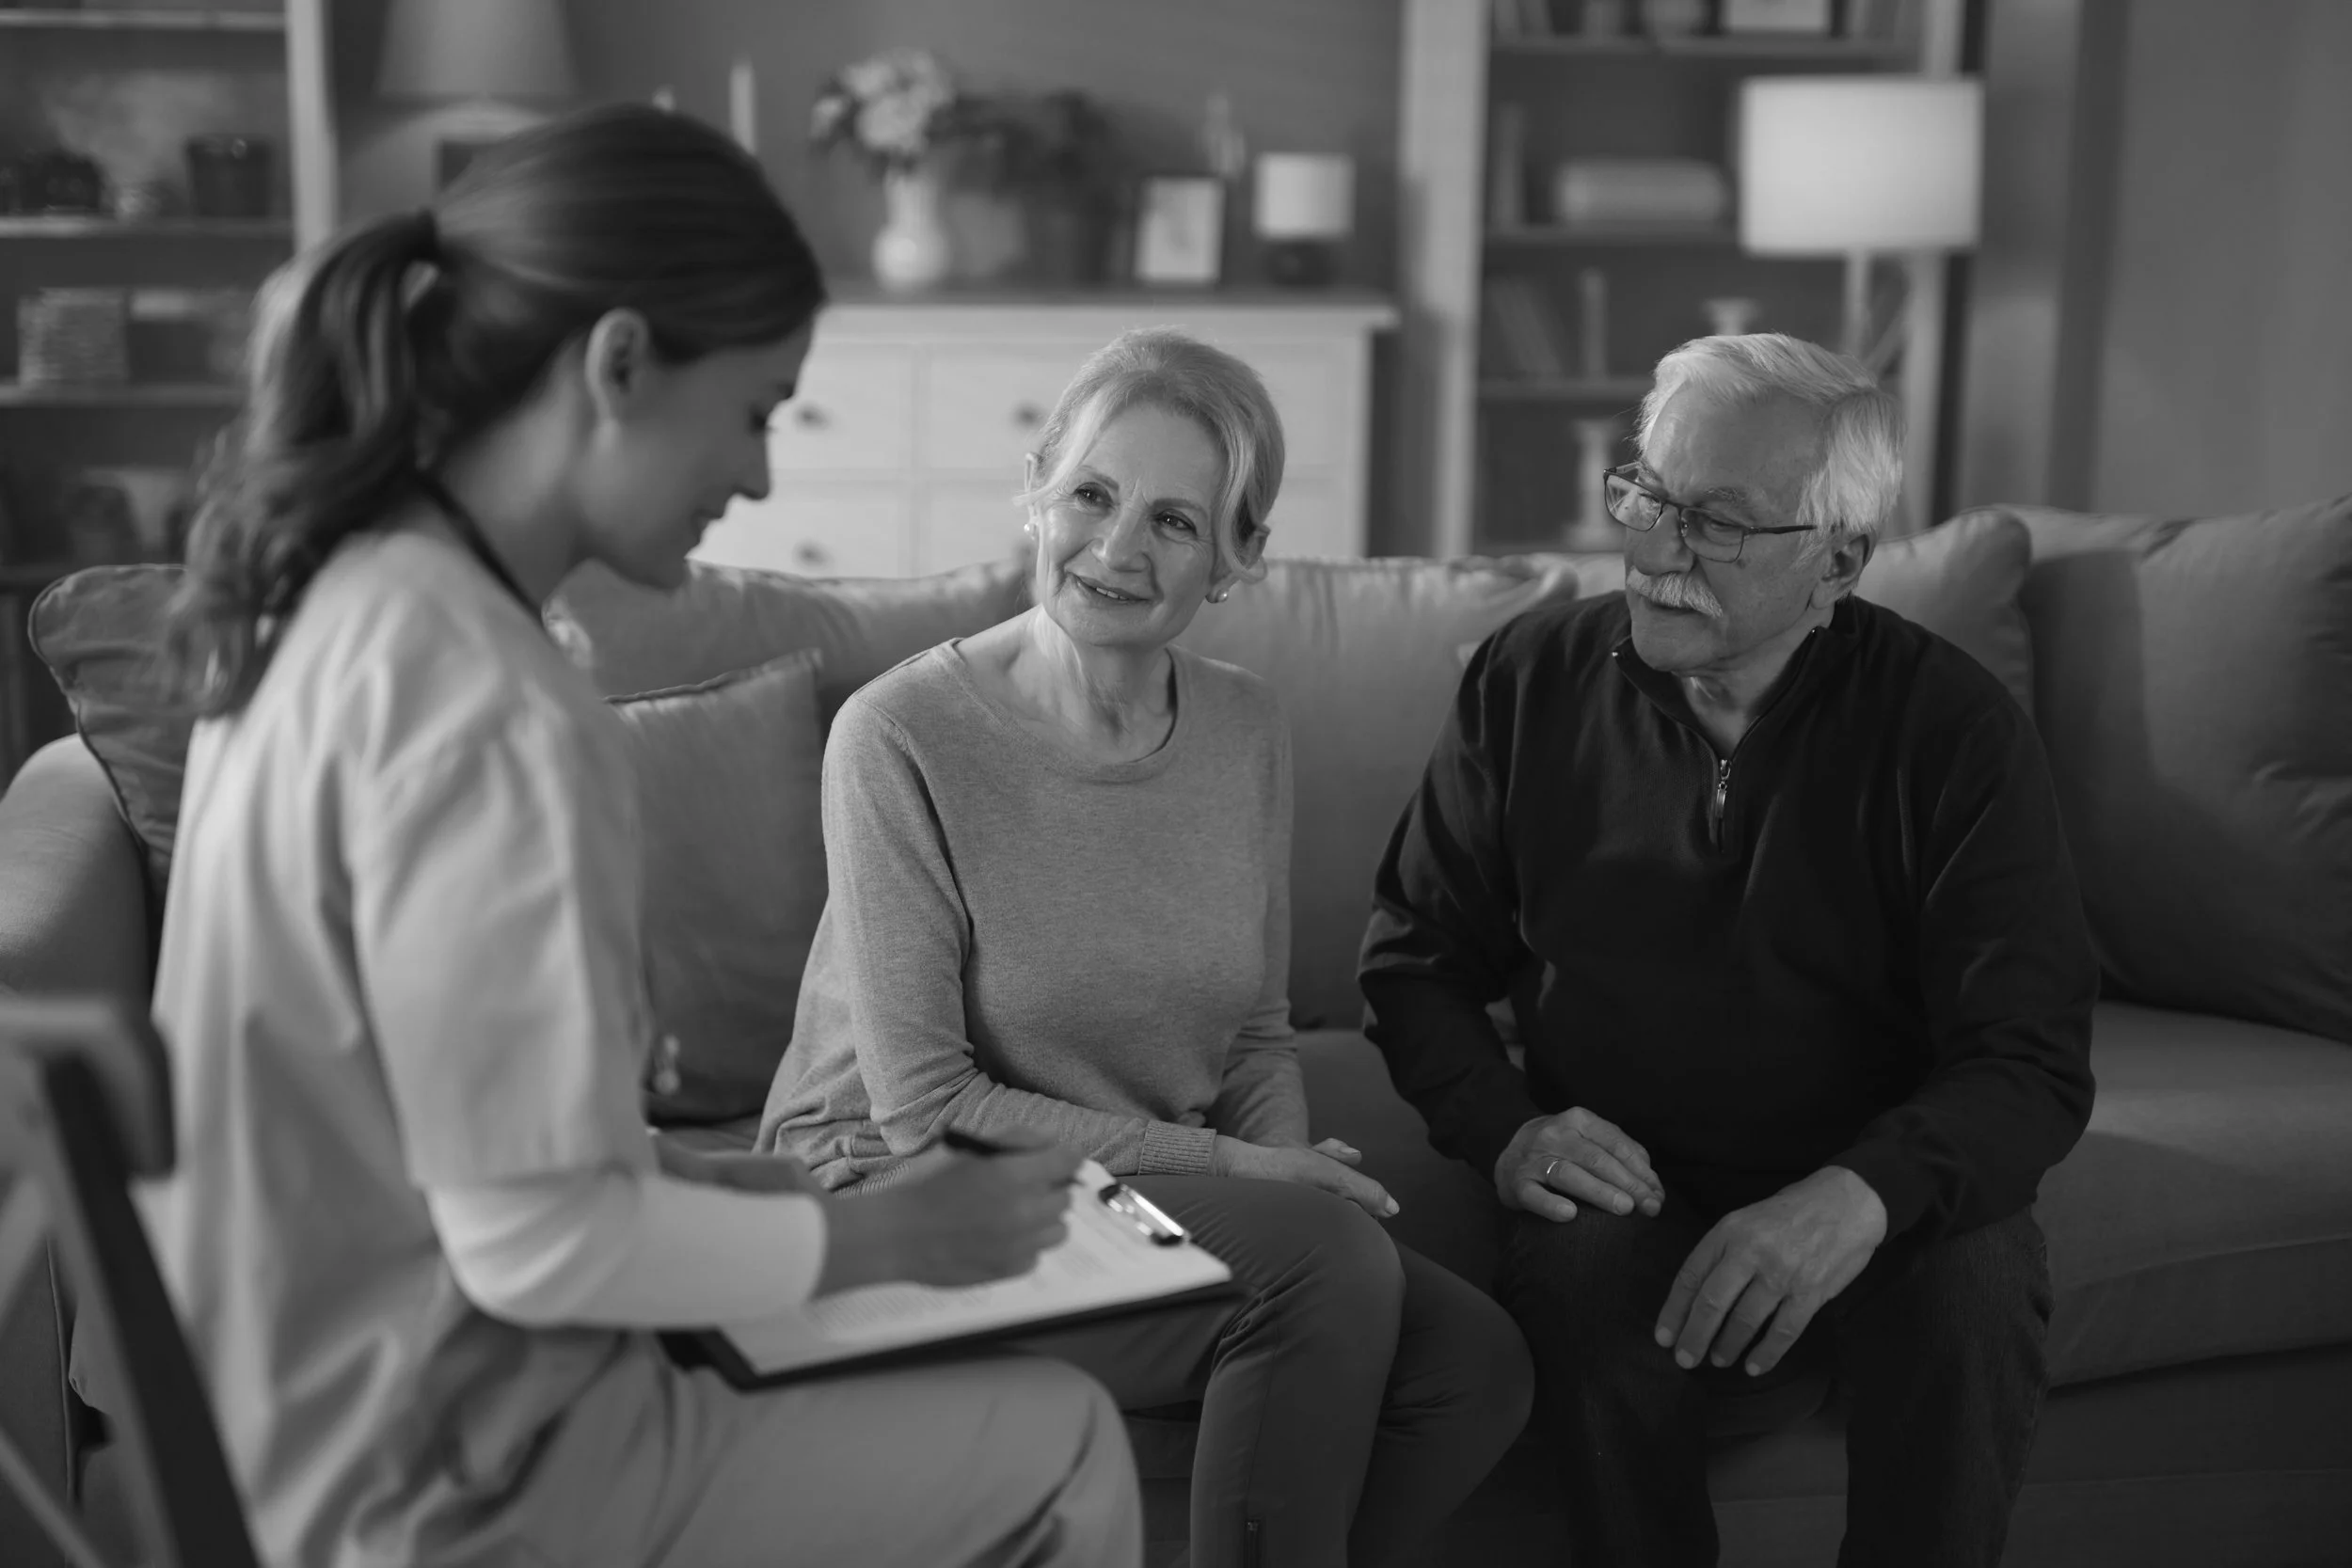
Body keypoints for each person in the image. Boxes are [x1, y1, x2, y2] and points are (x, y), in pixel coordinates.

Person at [136, 105, 1137, 1568]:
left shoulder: (329, 606)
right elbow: (534, 1244)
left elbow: (466, 1155)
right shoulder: (491, 708)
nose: (762, 476)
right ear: (616, 363)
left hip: (291, 1439)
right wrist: (894, 1242)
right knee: (1063, 1440)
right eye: (757, 409)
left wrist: (794, 1192)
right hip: (451, 1486)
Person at [760, 327, 1532, 1568]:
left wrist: (1275, 1177)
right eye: (1093, 495)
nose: (1118, 548)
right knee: (1325, 1275)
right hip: (901, 1204)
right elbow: (924, 1109)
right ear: (1037, 489)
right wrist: (1250, 1178)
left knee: (1472, 1363)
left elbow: (1258, 1029)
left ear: (1239, 559)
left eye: (1177, 521)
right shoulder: (899, 734)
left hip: (1134, 1195)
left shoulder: (1245, 727)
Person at [1359, 333, 2099, 1568]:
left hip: (1876, 1171)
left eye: (1715, 522)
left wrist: (1858, 1195)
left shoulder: (1954, 731)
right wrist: (1511, 1130)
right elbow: (1413, 955)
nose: (1654, 547)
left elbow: (2027, 1058)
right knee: (1586, 1281)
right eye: (1646, 492)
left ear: (1839, 560)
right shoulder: (1528, 678)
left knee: (1975, 1281)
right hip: (1626, 1171)